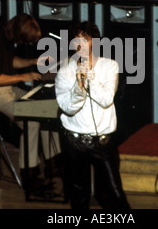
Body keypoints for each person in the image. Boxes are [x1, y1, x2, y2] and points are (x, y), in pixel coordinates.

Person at [0, 13, 61, 189]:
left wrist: (33, 61)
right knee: (30, 119)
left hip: (7, 87)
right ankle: (29, 173)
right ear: (19, 35)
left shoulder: (5, 36)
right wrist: (26, 76)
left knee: (45, 109)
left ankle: (54, 163)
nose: (23, 44)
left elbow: (10, 61)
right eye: (24, 41)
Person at [54, 21, 130, 209]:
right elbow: (68, 108)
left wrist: (90, 78)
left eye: (85, 40)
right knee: (78, 196)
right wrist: (78, 89)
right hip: (74, 142)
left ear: (94, 42)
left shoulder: (109, 66)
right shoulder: (64, 72)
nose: (80, 44)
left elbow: (105, 100)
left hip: (102, 143)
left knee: (114, 194)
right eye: (76, 40)